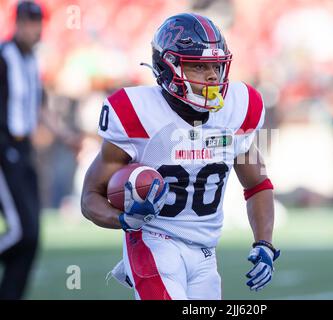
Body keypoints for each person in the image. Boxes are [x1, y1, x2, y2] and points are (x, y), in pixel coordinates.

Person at [81, 13, 280, 300]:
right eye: (198, 67)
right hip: (153, 243)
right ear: (167, 67)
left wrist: (264, 242)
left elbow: (257, 185)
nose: (213, 76)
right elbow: (90, 198)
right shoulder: (136, 112)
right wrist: (125, 220)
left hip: (205, 253)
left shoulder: (237, 109)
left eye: (217, 66)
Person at [0, 1, 80, 300]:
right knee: (21, 232)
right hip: (4, 149)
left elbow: (39, 107)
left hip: (24, 152)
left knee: (32, 238)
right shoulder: (4, 57)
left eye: (38, 23)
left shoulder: (33, 60)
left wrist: (65, 135)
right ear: (17, 23)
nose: (34, 29)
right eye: (29, 22)